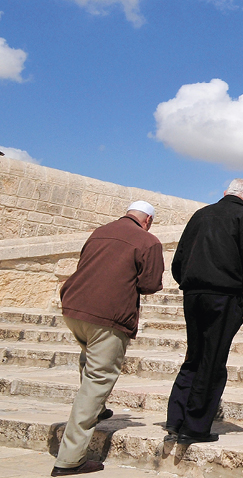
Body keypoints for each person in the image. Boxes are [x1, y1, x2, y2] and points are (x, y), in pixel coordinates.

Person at [51, 201, 164, 476]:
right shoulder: (148, 241)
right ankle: (69, 459)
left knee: (89, 355)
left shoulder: (99, 231)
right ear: (147, 220)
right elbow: (150, 284)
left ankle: (99, 410)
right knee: (98, 380)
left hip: (74, 306)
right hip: (108, 315)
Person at [165, 179, 243, 445]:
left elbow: (179, 258)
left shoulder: (200, 215)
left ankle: (176, 419)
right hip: (223, 297)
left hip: (193, 295)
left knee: (194, 356)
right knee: (212, 360)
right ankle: (196, 426)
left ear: (225, 194)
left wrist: (187, 283)